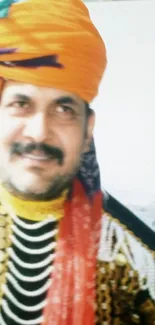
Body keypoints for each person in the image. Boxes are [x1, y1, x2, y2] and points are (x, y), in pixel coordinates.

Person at [0, 0, 154, 324]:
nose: (39, 132)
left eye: (64, 109)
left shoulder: (138, 264)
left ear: (88, 131)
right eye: (21, 103)